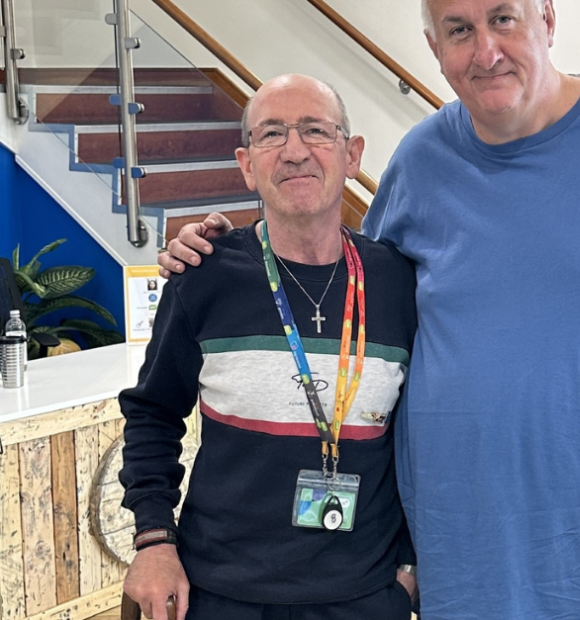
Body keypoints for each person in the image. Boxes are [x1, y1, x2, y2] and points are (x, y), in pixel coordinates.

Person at [158, 1, 580, 618]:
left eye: (503, 18)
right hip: (462, 551)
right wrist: (222, 248)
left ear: (547, 20)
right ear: (434, 47)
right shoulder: (422, 161)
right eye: (459, 30)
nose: (485, 50)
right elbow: (352, 295)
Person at [121, 74, 418, 620]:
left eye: (315, 131)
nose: (295, 150)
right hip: (220, 593)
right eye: (272, 134)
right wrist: (154, 539)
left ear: (352, 155)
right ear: (246, 163)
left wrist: (409, 570)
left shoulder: (400, 283)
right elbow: (152, 415)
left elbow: (422, 435)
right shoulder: (203, 276)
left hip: (364, 595)